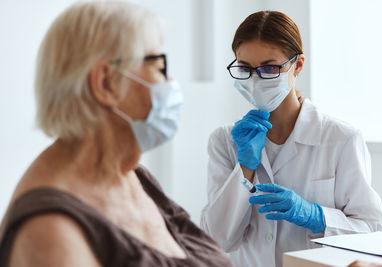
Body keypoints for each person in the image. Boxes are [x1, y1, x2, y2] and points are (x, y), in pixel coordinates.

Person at [0, 2, 233, 267]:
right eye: (159, 66)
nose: (170, 82)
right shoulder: (49, 231)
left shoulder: (134, 177)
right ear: (105, 83)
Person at [200, 10, 382, 267]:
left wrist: (317, 217)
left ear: (298, 65)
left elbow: (376, 232)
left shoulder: (341, 139)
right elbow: (216, 240)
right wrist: (244, 167)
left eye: (270, 67)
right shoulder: (225, 141)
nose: (256, 79)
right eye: (245, 68)